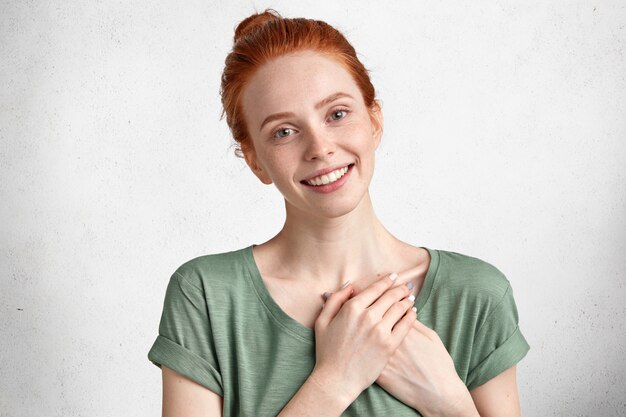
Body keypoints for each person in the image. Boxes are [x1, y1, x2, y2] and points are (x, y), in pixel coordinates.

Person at [147, 9, 530, 417]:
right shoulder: (206, 296)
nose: (320, 147)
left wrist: (448, 403)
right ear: (255, 161)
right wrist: (336, 379)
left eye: (337, 114)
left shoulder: (476, 295)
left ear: (374, 121)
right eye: (284, 131)